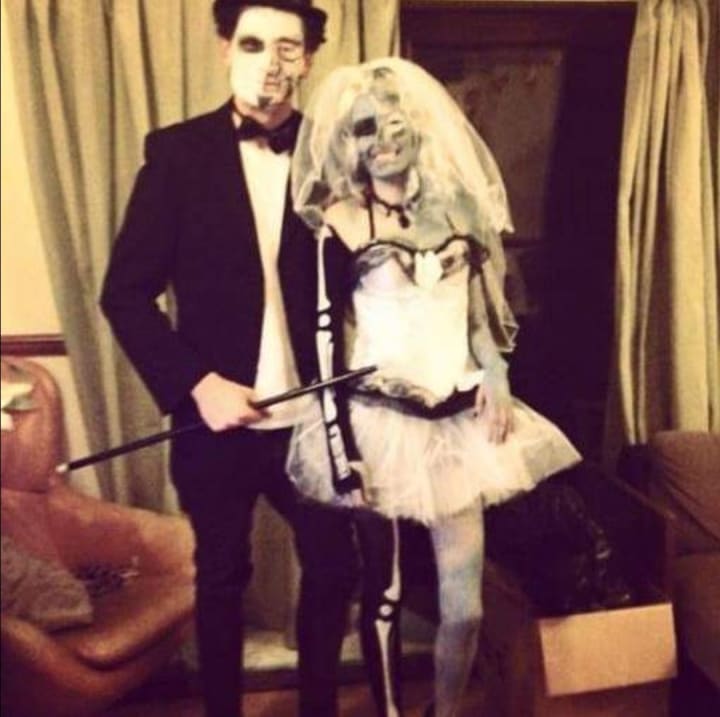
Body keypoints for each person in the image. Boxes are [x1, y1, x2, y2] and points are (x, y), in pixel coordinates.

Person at [287, 57, 583, 717]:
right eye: (366, 127)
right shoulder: (340, 222)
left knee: (465, 609)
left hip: (457, 425)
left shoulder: (460, 210)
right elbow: (325, 347)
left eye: (395, 122)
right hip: (379, 426)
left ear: (419, 124)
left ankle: (444, 711)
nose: (383, 139)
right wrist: (341, 455)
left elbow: (478, 320)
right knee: (386, 597)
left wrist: (497, 374)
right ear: (348, 142)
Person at [100, 3, 361, 716]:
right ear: (225, 49)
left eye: (287, 47)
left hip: (314, 420)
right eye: (252, 44)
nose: (270, 63)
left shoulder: (335, 159)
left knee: (335, 567)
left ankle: (318, 708)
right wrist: (197, 384)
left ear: (309, 59)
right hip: (215, 420)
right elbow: (123, 293)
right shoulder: (177, 154)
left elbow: (367, 281)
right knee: (220, 578)